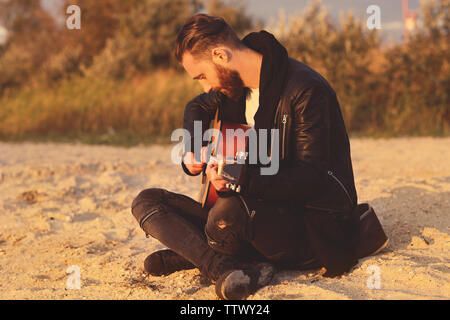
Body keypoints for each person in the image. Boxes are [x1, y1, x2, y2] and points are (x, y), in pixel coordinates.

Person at [131, 14, 388, 300]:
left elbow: (311, 180)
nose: (205, 87)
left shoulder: (305, 91)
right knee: (147, 201)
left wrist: (240, 177)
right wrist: (193, 147)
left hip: (304, 221)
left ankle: (202, 255)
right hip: (249, 207)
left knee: (224, 217)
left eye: (202, 76)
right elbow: (198, 107)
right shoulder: (233, 88)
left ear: (220, 55)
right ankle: (222, 266)